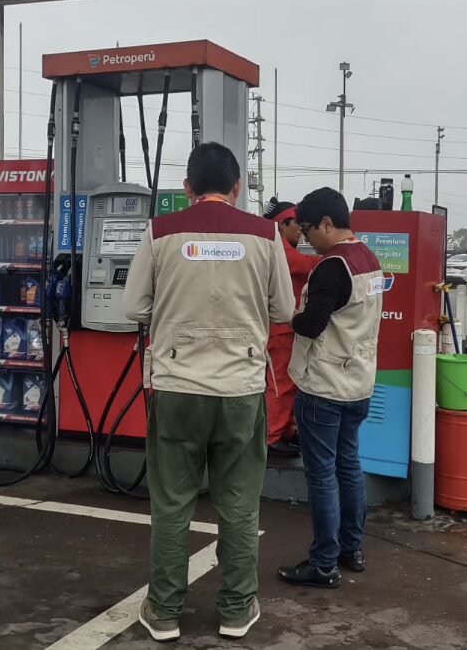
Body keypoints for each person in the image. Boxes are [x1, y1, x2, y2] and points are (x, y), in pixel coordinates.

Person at [123, 143, 293, 642]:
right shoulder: (265, 234)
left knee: (172, 503)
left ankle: (163, 611)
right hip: (241, 389)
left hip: (176, 386)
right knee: (239, 504)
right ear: (237, 186)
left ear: (187, 188)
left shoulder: (159, 231)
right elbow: (283, 309)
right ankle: (237, 609)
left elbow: (134, 307)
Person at [278, 187, 383, 589]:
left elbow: (311, 324)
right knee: (349, 467)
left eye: (307, 230)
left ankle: (323, 564)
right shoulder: (368, 259)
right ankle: (350, 550)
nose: (306, 239)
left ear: (326, 223)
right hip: (358, 384)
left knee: (322, 475)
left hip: (324, 386)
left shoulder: (331, 266)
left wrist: (286, 314)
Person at [263, 197, 320, 456]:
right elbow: (306, 265)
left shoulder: (277, 246)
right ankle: (272, 436)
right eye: (296, 223)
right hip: (280, 329)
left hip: (285, 328)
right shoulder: (280, 250)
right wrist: (340, 255)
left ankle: (284, 431)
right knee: (281, 384)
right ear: (281, 224)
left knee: (288, 383)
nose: (301, 229)